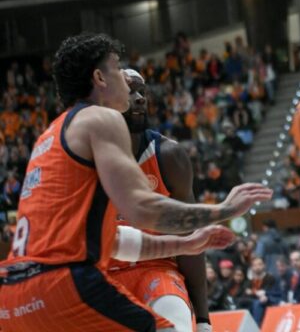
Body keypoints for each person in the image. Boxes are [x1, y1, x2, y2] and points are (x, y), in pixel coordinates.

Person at [0, 33, 272, 332]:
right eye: (118, 69)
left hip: (14, 299)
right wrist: (225, 209)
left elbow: (115, 240)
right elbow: (143, 209)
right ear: (100, 77)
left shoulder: (48, 137)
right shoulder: (101, 119)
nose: (127, 85)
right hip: (62, 285)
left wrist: (184, 243)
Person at [107, 69, 212, 332]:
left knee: (174, 326)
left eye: (143, 92)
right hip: (103, 274)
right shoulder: (86, 158)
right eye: (130, 91)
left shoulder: (169, 156)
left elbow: (190, 239)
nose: (140, 98)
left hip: (158, 269)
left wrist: (203, 320)